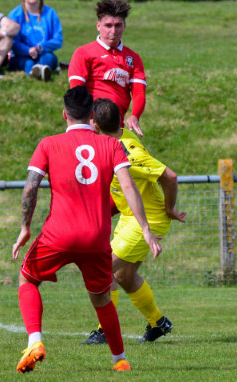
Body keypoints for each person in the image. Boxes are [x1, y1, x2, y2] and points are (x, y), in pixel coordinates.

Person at [12, 86, 162, 374]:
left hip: (59, 235)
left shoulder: (48, 144)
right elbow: (128, 186)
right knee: (102, 298)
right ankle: (120, 359)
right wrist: (145, 227)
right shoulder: (112, 145)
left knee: (27, 279)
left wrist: (25, 228)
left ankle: (35, 342)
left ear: (64, 114)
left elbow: (31, 186)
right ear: (92, 115)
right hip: (96, 237)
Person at [81, 98, 187, 346]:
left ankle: (105, 330)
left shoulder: (130, 152)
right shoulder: (113, 139)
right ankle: (158, 322)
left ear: (95, 125)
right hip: (131, 217)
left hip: (147, 219)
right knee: (124, 276)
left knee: (104, 269)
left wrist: (169, 208)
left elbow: (170, 177)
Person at [68, 0, 146, 136]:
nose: (113, 31)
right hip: (90, 126)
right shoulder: (83, 53)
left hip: (116, 128)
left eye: (118, 25)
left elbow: (139, 92)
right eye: (108, 25)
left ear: (124, 26)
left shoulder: (133, 58)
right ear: (98, 26)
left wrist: (135, 116)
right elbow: (76, 91)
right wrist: (83, 119)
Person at [7, 0, 63, 82]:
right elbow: (12, 42)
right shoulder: (15, 15)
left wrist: (41, 47)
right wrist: (27, 50)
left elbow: (58, 40)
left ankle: (38, 71)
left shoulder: (50, 13)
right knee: (28, 63)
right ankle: (38, 71)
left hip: (44, 53)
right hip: (21, 55)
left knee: (49, 58)